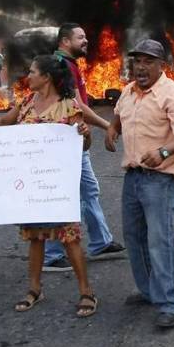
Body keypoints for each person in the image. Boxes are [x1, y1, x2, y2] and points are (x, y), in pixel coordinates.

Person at [0, 55, 97, 317]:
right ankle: (34, 289)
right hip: (31, 187)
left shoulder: (69, 106)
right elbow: (5, 122)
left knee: (70, 239)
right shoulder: (27, 102)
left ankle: (86, 292)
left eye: (33, 71)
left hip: (57, 187)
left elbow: (83, 147)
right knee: (35, 238)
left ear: (46, 77)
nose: (29, 75)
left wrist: (86, 134)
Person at [105, 39, 174, 329]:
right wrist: (111, 129)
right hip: (133, 177)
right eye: (137, 61)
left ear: (162, 66)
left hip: (162, 179)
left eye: (148, 61)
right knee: (134, 237)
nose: (140, 67)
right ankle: (148, 291)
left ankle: (170, 302)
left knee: (160, 241)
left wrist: (163, 152)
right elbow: (119, 115)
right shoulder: (129, 92)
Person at [42, 23, 126, 272]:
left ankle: (100, 242)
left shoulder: (68, 63)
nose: (86, 40)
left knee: (89, 190)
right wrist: (108, 125)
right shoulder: (62, 65)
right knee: (67, 194)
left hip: (74, 138)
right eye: (81, 37)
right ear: (65, 41)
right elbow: (77, 105)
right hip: (65, 140)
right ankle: (51, 254)